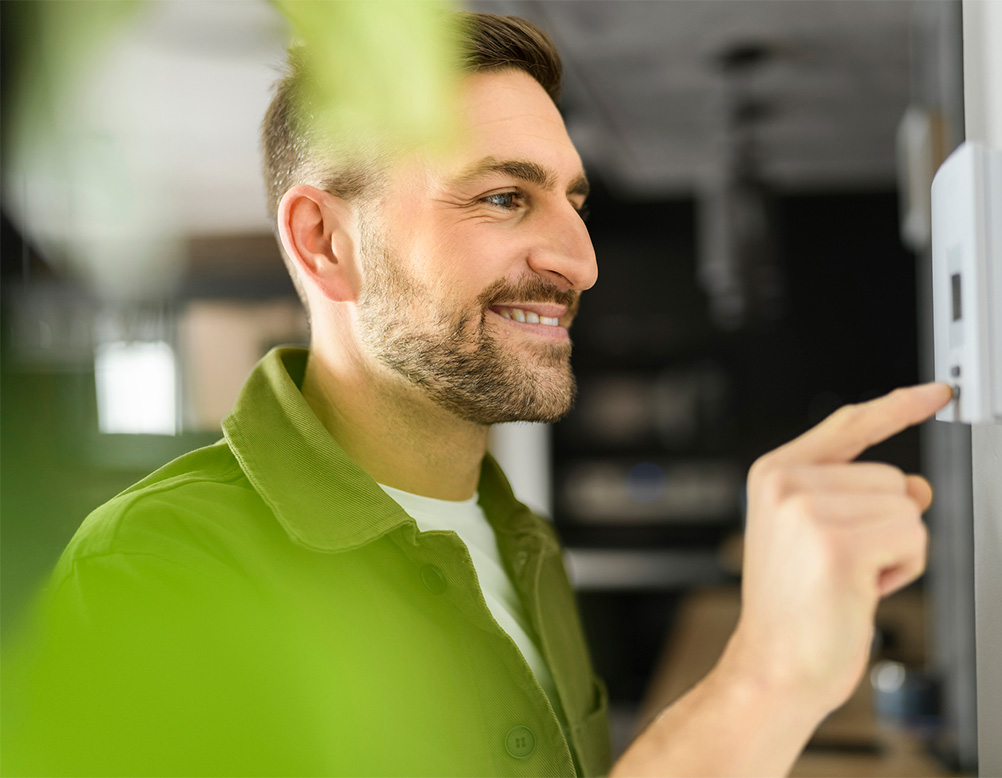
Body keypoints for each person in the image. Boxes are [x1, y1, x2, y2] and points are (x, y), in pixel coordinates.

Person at [2, 12, 952, 777]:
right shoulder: (156, 572)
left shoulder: (520, 541)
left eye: (574, 202)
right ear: (326, 244)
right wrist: (763, 681)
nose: (579, 263)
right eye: (504, 196)